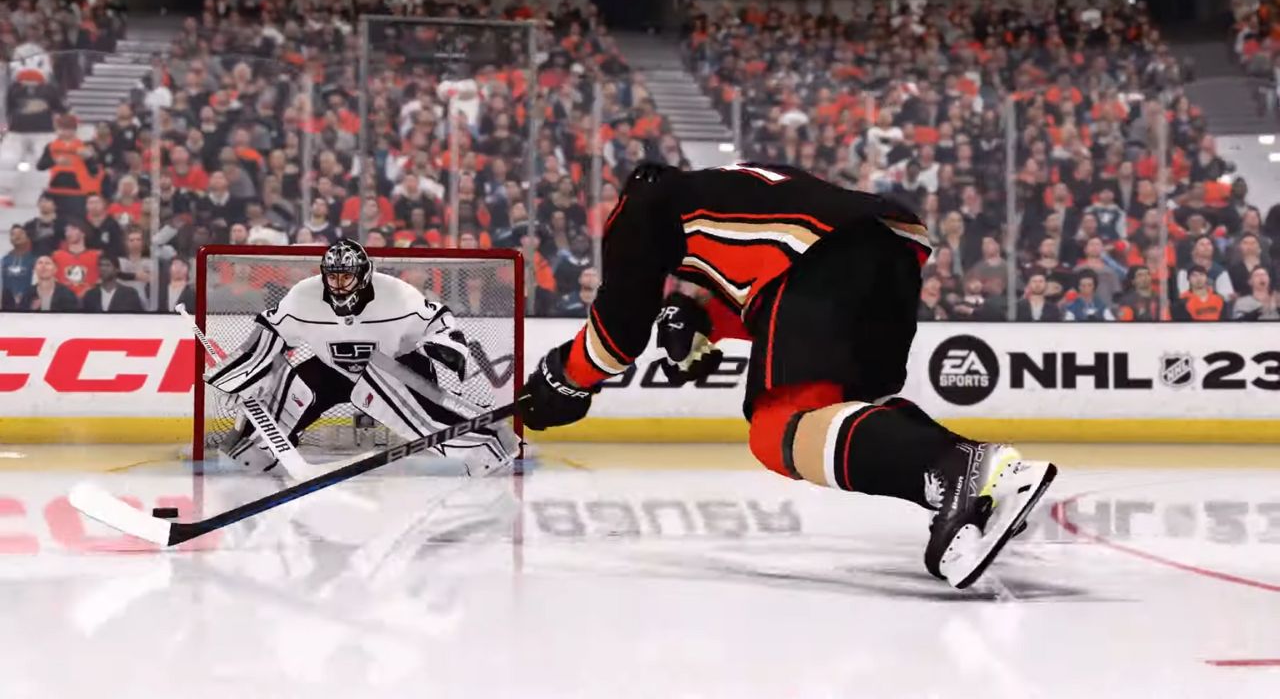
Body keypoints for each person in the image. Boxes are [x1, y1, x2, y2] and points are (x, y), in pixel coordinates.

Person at [519, 163, 1057, 589]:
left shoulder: (642, 204)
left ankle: (960, 467)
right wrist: (702, 319)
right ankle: (977, 486)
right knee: (839, 417)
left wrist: (565, 379)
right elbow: (757, 268)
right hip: (889, 251)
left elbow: (617, 333)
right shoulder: (729, 187)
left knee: (779, 428)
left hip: (820, 260)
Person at [204, 239, 517, 476]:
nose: (339, 285)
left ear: (364, 275)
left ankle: (485, 443)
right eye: (333, 277)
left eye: (346, 277)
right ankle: (256, 447)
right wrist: (238, 377)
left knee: (409, 406)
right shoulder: (303, 296)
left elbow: (440, 321)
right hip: (332, 369)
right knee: (295, 383)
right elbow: (269, 333)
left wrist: (444, 346)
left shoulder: (398, 295)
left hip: (396, 367)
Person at [81, 255, 145, 312]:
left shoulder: (129, 294)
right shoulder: (90, 295)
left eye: (107, 265)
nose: (103, 268)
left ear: (117, 269)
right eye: (100, 265)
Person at [2, 225, 36, 310]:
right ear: (10, 239)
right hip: (7, 305)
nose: (17, 236)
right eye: (13, 234)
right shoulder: (4, 260)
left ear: (27, 237)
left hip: (28, 304)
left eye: (20, 233)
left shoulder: (34, 260)